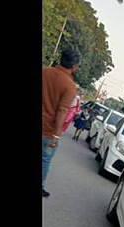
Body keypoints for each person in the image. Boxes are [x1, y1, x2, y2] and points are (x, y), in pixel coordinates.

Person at [42, 49, 80, 198]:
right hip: (48, 130)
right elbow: (62, 110)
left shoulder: (45, 72)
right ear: (74, 66)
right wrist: (56, 135)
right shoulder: (70, 86)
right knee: (45, 159)